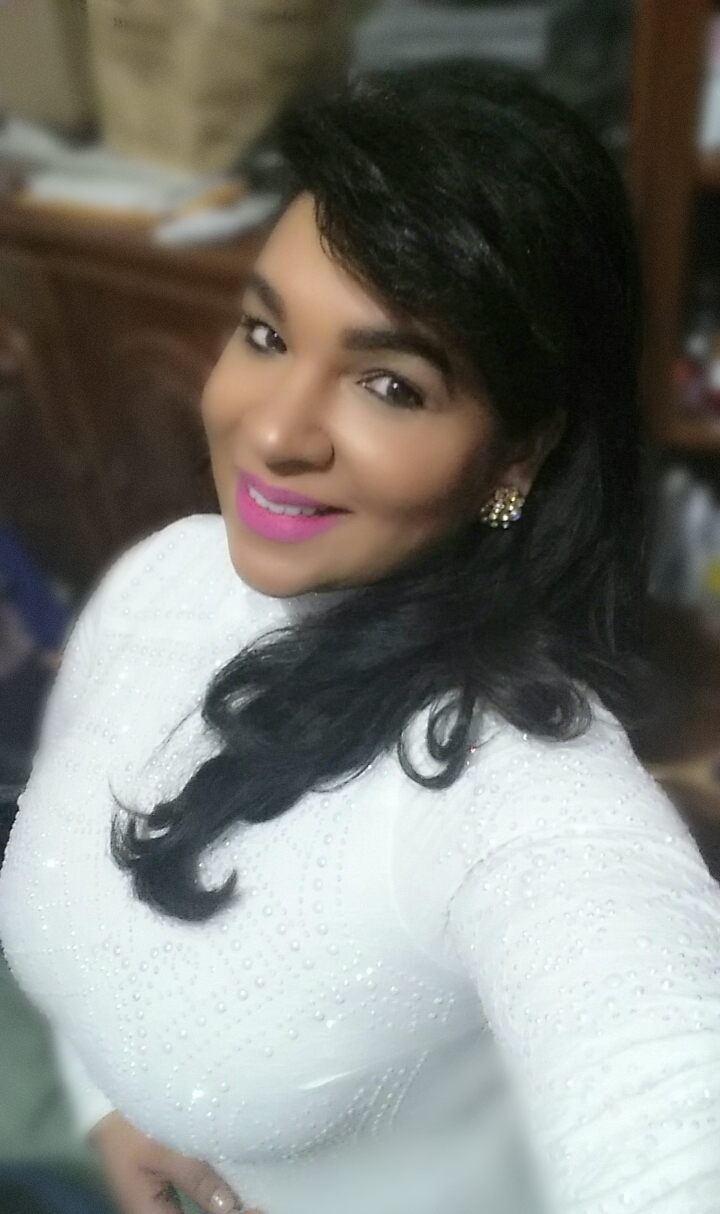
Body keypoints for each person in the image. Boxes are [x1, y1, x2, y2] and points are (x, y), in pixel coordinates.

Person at [1, 63, 719, 1214]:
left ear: (518, 452)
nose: (274, 430)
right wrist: (112, 1100)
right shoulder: (162, 575)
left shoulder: (521, 789)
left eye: (390, 384)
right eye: (265, 333)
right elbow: (92, 898)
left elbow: (663, 1096)